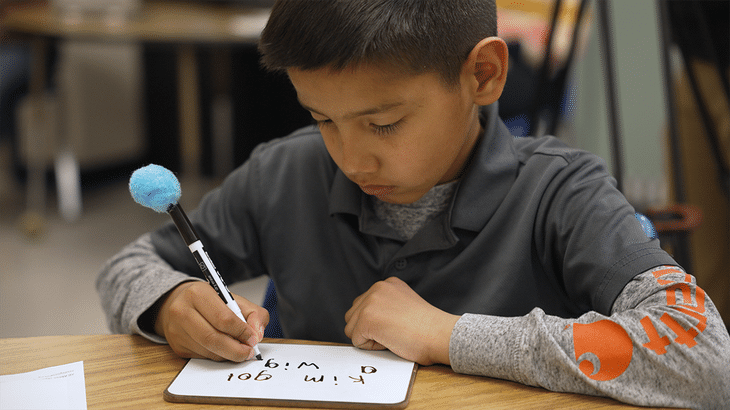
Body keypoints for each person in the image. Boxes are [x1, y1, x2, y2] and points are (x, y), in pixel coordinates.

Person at [98, 0, 730, 407]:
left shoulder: (559, 191)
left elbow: (704, 359)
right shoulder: (285, 171)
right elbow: (128, 266)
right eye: (322, 118)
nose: (350, 158)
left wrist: (447, 335)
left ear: (482, 76)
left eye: (384, 125)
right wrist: (169, 303)